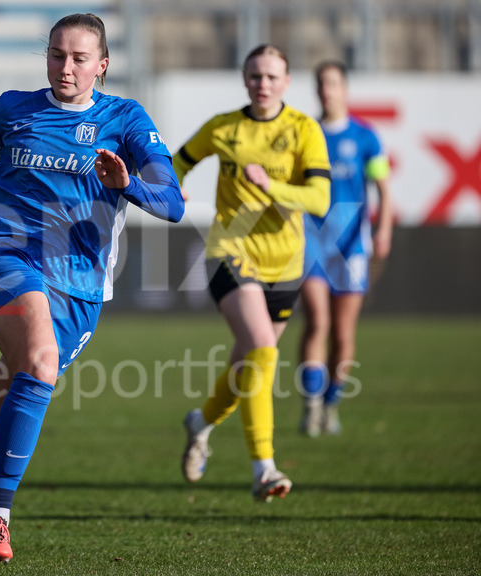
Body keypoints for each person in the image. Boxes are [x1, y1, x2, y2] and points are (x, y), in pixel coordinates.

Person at [0, 13, 184, 563]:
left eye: (78, 58)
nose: (65, 68)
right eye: (55, 55)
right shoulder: (14, 109)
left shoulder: (126, 118)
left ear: (103, 65)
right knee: (40, 361)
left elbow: (174, 202)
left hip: (81, 286)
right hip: (4, 254)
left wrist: (129, 184)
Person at [173, 44, 331, 502]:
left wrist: (272, 185)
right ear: (245, 80)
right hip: (229, 250)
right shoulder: (224, 128)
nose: (263, 84)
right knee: (262, 347)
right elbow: (177, 165)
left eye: (272, 76)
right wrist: (170, 193)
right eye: (255, 76)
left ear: (286, 82)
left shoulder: (303, 129)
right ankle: (264, 467)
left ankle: (200, 423)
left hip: (285, 263)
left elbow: (319, 199)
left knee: (250, 364)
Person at [298, 61, 393, 437]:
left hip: (352, 242)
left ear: (345, 89)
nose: (327, 90)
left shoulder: (366, 137)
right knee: (317, 321)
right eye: (321, 83)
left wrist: (383, 228)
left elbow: (384, 189)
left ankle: (332, 402)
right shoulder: (306, 132)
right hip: (311, 238)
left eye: (333, 83)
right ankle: (311, 404)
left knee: (342, 331)